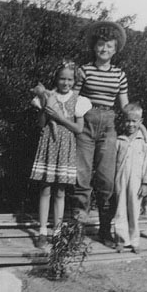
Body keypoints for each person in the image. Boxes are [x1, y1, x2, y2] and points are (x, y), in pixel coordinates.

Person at [72, 21, 147, 247]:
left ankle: (106, 229)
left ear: (115, 49)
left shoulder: (119, 75)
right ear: (94, 47)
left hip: (109, 127)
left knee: (107, 180)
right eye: (100, 45)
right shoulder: (84, 70)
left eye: (109, 46)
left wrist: (142, 128)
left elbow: (126, 108)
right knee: (82, 177)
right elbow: (73, 100)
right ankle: (77, 228)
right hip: (85, 124)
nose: (104, 49)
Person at [30, 60, 92, 248]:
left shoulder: (78, 99)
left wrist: (59, 118)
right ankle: (42, 231)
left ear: (74, 81)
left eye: (70, 79)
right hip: (49, 143)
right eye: (62, 79)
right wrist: (45, 110)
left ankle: (57, 231)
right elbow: (40, 124)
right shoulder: (48, 95)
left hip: (66, 146)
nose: (66, 83)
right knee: (45, 188)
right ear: (56, 79)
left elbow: (79, 129)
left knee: (60, 191)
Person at [114, 103, 147, 254]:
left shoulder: (144, 141)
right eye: (127, 121)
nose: (130, 124)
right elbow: (113, 162)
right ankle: (121, 240)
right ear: (123, 121)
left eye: (134, 121)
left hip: (137, 181)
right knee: (120, 210)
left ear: (140, 121)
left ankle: (134, 241)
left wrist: (145, 183)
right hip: (120, 179)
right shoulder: (119, 139)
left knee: (134, 210)